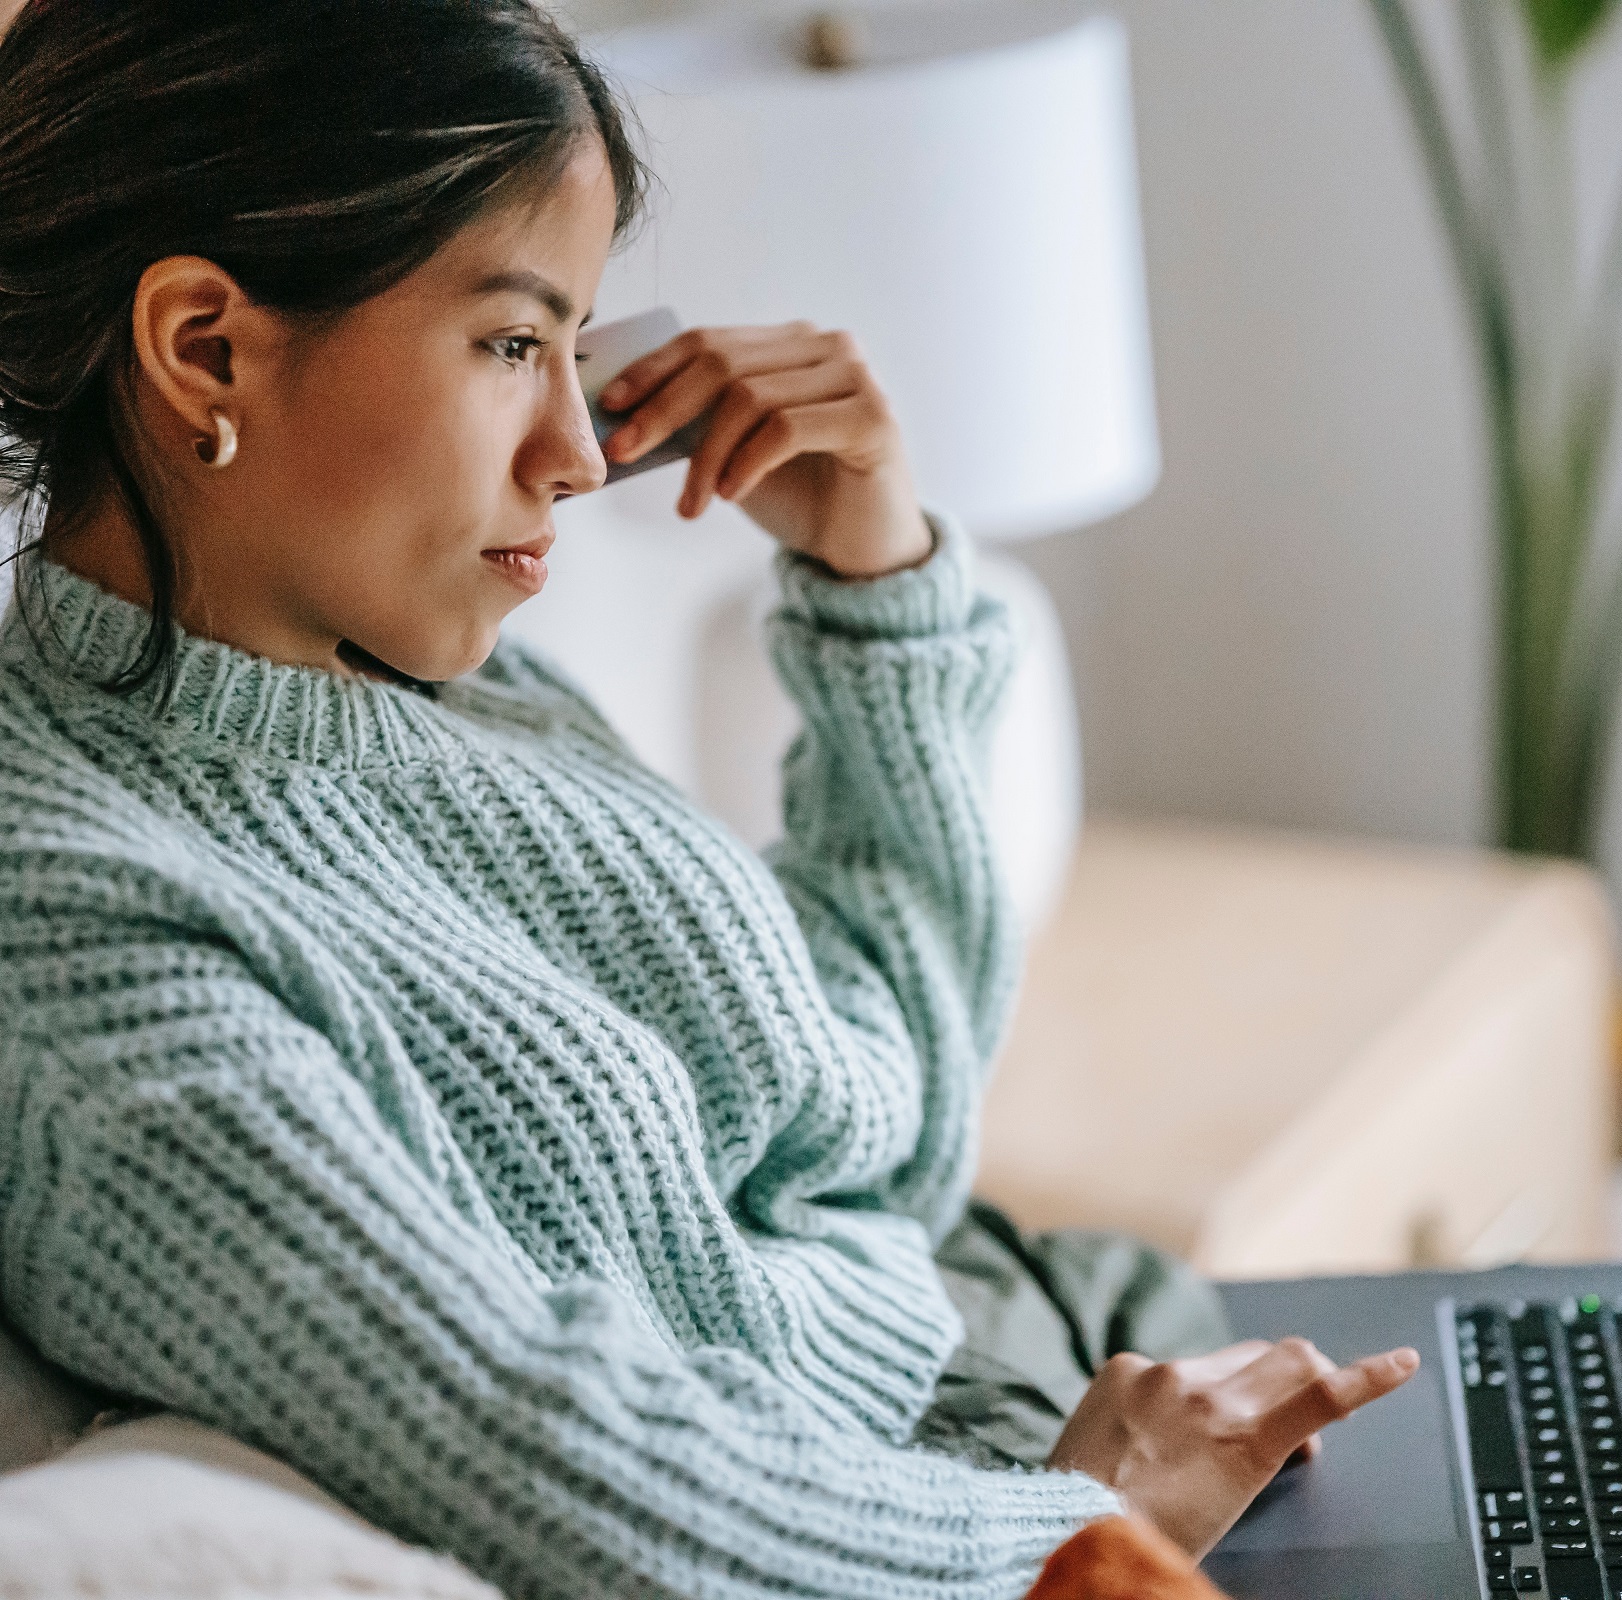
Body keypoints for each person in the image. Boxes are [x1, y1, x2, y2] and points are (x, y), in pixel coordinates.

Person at [0, 4, 1417, 1598]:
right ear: (205, 346)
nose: (577, 455)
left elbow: (878, 1129)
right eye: (511, 341)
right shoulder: (67, 912)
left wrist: (868, 578)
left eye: (573, 343)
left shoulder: (436, 680)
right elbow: (530, 1446)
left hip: (1013, 1356)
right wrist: (1079, 1528)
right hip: (952, 1514)